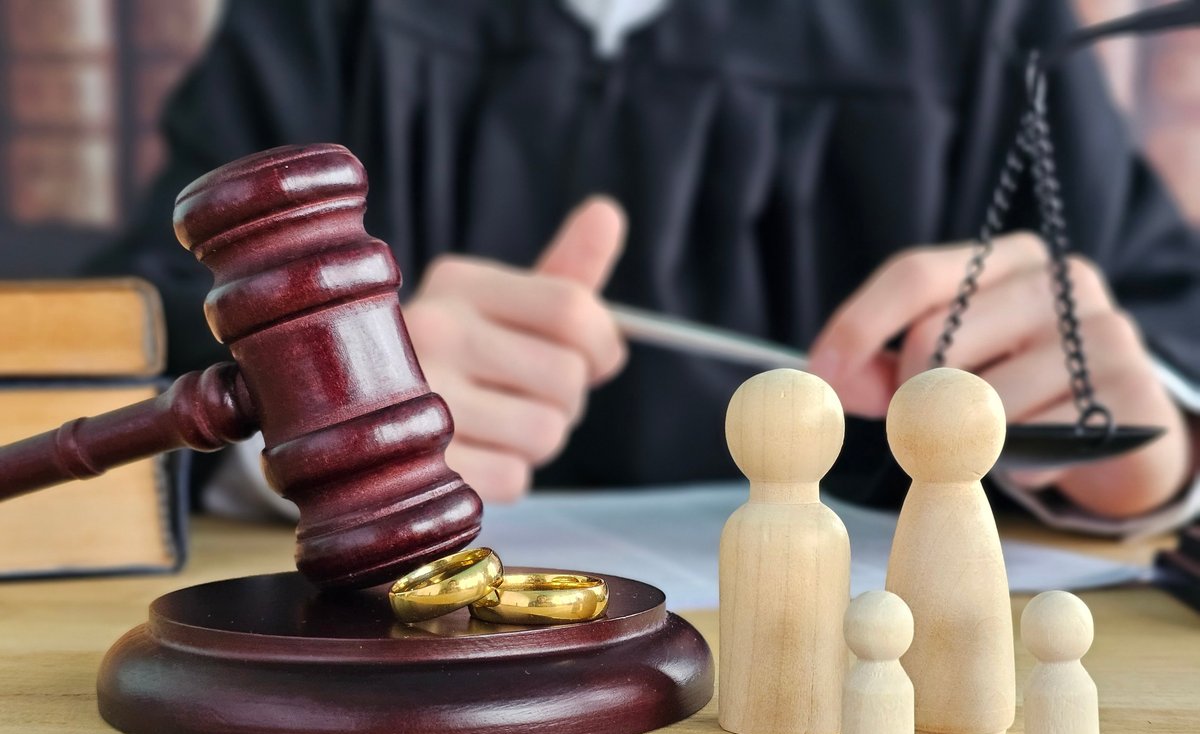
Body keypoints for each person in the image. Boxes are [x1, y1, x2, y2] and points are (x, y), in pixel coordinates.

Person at [92, 0, 1199, 531]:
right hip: (394, 672)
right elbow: (128, 335)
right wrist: (318, 421)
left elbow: (1159, 321)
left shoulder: (978, 27)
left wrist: (1147, 458)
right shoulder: (326, 21)